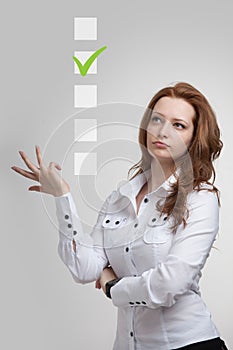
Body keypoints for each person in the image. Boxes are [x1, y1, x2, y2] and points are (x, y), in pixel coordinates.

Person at [11, 82, 228, 350]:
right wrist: (62, 197)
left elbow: (170, 284)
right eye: (156, 119)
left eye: (178, 125)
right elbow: (84, 268)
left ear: (195, 138)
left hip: (187, 344)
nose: (162, 131)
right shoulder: (119, 198)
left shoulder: (200, 198)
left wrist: (113, 287)